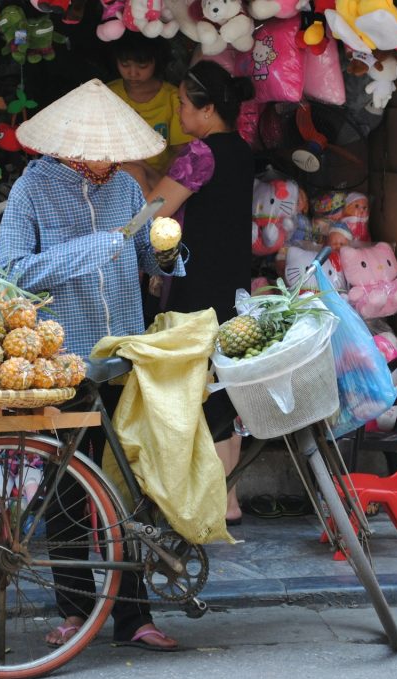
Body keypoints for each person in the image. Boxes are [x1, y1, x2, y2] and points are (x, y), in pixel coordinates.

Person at [0, 79, 184, 651]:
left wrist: (167, 252)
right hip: (63, 362)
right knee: (66, 493)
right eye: (96, 149)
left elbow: (150, 257)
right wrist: (91, 249)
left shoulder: (127, 191)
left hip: (124, 355)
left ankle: (134, 617)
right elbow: (11, 273)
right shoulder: (31, 191)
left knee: (127, 492)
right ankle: (75, 611)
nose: (105, 159)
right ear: (69, 145)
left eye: (111, 150)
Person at [146, 60, 255, 525]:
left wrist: (133, 175)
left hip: (196, 286)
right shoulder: (243, 151)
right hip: (232, 284)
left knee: (198, 392)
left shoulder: (199, 155)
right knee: (223, 390)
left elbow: (156, 212)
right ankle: (230, 500)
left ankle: (214, 500)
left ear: (208, 110)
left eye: (184, 105)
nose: (180, 112)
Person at [107, 33, 192, 191]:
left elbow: (180, 151)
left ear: (156, 62)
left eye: (142, 66)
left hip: (158, 182)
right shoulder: (107, 94)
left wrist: (159, 180)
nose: (133, 73)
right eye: (125, 65)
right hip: (114, 179)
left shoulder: (173, 98)